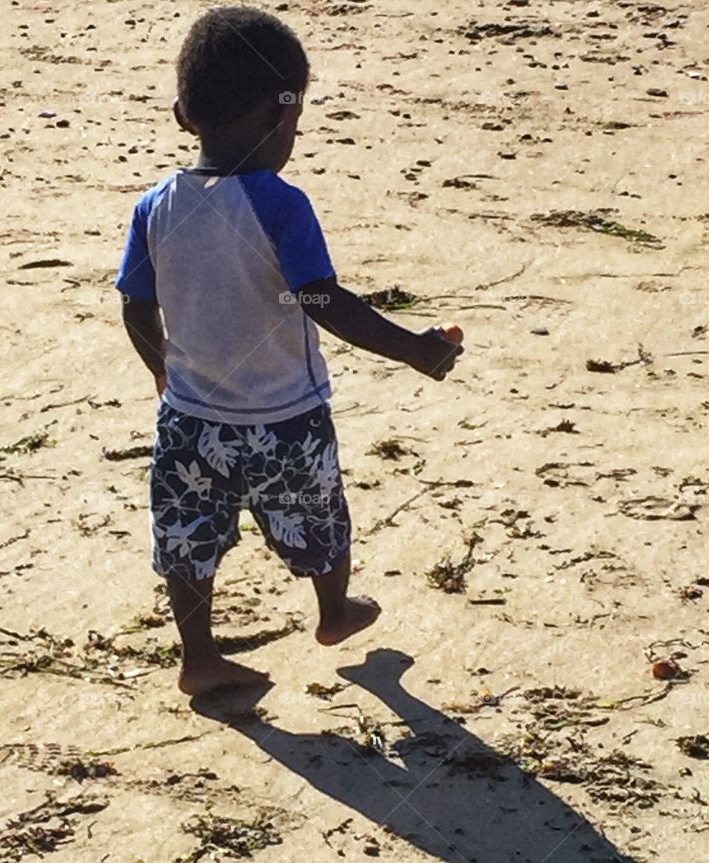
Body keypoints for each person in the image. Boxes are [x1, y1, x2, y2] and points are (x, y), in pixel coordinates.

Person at [114, 6, 462, 695]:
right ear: (281, 118)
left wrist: (162, 369)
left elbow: (134, 303)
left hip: (190, 419)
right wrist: (412, 350)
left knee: (187, 535)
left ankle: (200, 656)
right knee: (319, 518)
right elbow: (322, 299)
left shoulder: (155, 205)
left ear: (183, 114)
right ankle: (334, 613)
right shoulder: (280, 203)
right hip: (285, 418)